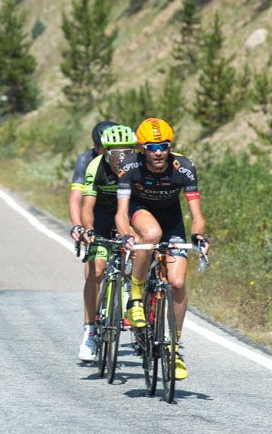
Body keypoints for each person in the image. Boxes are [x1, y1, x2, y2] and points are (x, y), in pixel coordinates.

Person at [113, 118, 210, 381]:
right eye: (152, 146)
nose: (158, 152)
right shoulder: (129, 165)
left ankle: (174, 348)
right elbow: (121, 213)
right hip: (139, 212)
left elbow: (196, 214)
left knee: (177, 283)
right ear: (142, 148)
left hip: (172, 219)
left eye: (164, 146)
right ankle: (135, 295)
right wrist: (125, 236)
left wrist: (198, 235)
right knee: (151, 234)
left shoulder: (184, 167)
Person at [70, 120, 117, 362]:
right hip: (97, 215)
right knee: (95, 272)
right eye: (104, 148)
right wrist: (79, 226)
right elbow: (76, 198)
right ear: (96, 146)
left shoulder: (127, 160)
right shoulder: (87, 161)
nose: (111, 154)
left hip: (123, 214)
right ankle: (89, 329)